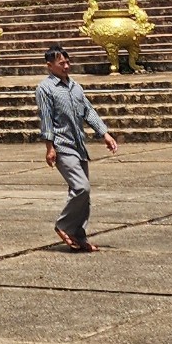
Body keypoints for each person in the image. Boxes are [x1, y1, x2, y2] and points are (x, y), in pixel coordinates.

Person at [36, 43, 119, 252]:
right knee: (82, 187)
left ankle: (79, 235)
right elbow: (46, 119)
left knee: (83, 194)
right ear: (50, 66)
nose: (66, 66)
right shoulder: (45, 89)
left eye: (67, 62)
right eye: (61, 63)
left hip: (79, 145)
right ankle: (63, 225)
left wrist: (105, 134)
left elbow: (88, 112)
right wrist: (50, 147)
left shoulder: (75, 87)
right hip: (62, 145)